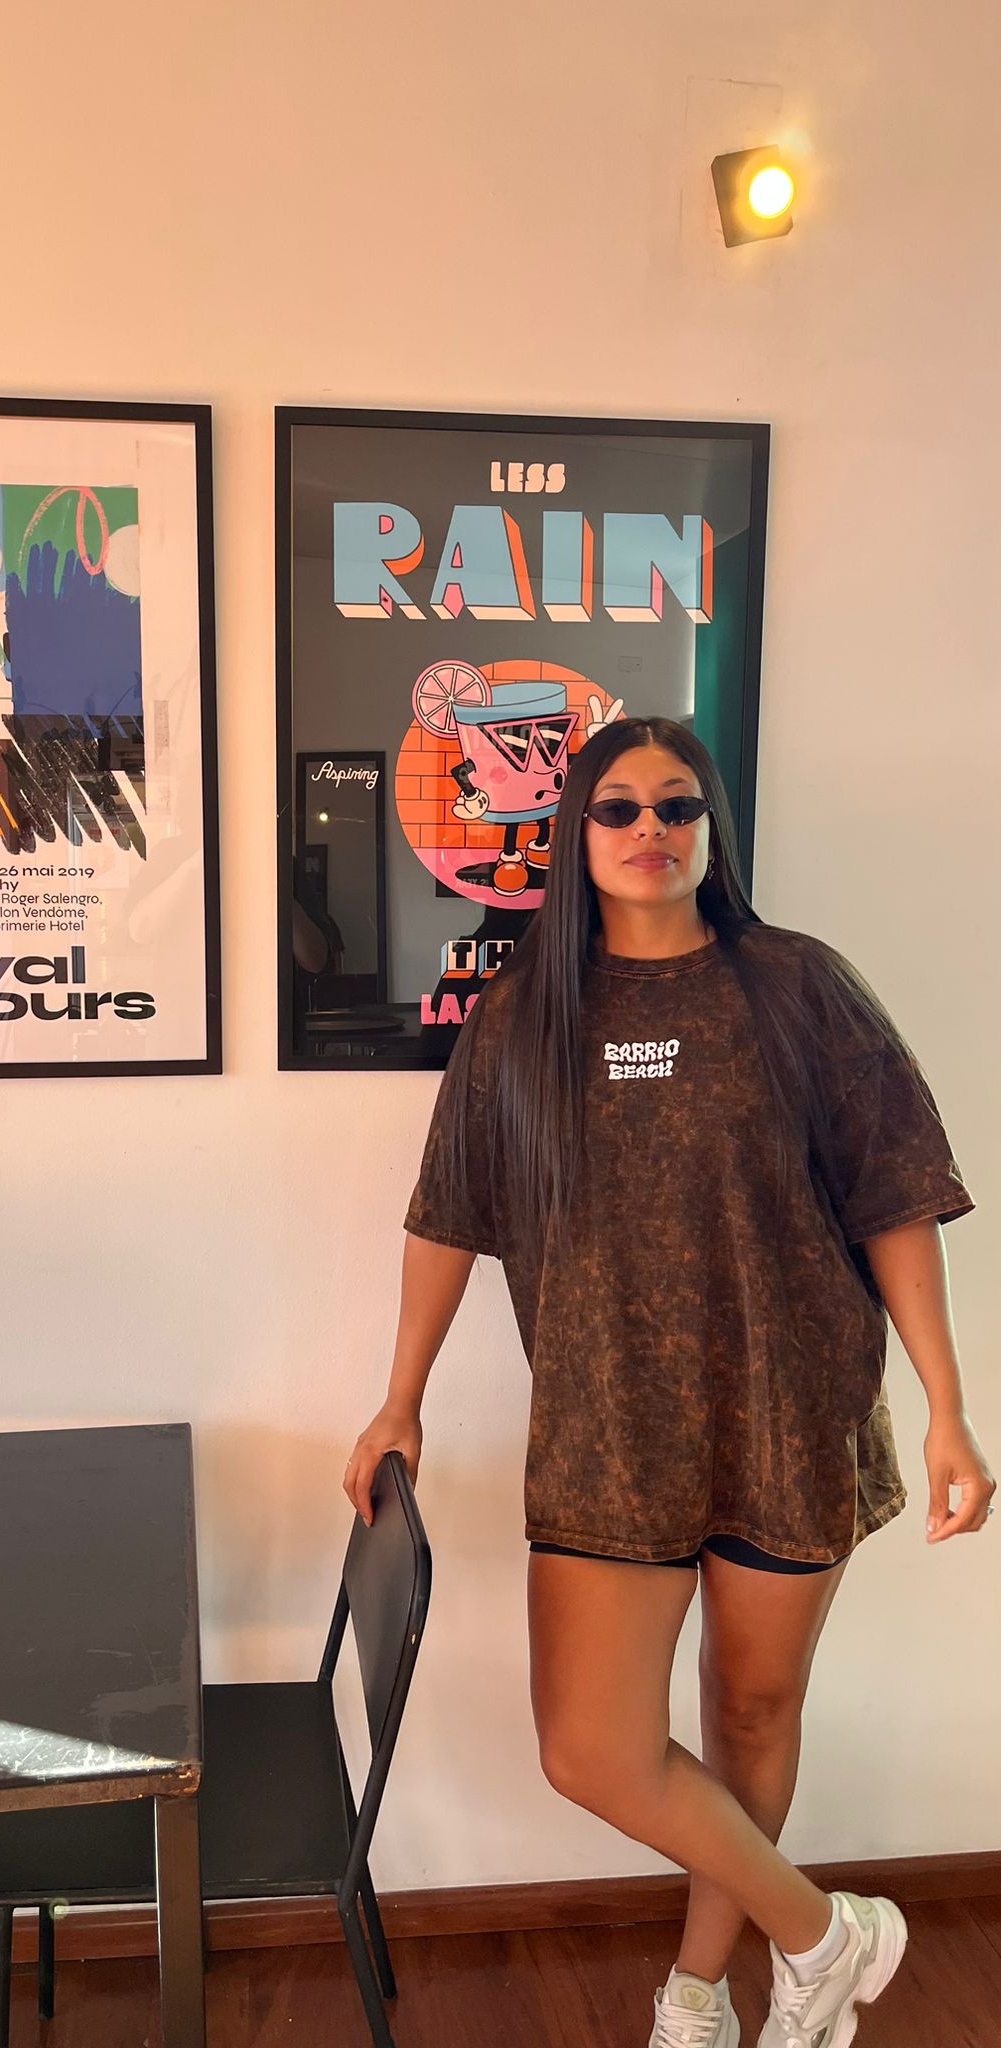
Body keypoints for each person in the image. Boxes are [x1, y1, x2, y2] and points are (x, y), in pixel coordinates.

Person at [343, 715, 995, 2048]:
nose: (652, 829)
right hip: (607, 1426)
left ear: (712, 830)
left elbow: (893, 1200)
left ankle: (702, 1993)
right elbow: (448, 1215)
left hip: (790, 1410)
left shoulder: (798, 987)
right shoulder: (525, 1016)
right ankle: (827, 1933)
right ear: (574, 835)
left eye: (678, 806)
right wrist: (398, 1398)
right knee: (590, 1748)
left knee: (751, 1710)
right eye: (620, 807)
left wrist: (949, 1407)